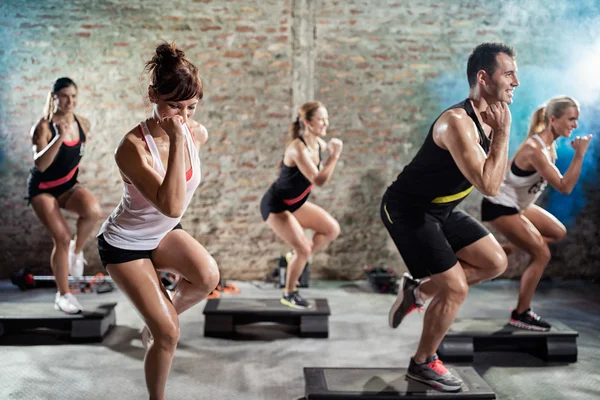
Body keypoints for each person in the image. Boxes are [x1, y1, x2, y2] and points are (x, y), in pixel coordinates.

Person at [381, 42, 519, 392]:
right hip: (407, 211)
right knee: (456, 289)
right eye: (509, 74)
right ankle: (423, 363)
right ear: (483, 78)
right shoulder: (457, 122)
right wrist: (503, 133)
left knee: (494, 262)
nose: (516, 81)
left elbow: (495, 175)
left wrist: (499, 132)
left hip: (440, 209)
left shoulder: (491, 119)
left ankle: (417, 290)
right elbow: (489, 184)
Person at [97, 42, 219, 400]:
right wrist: (179, 138)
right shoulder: (132, 148)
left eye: (191, 107)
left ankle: (156, 319)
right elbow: (170, 204)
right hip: (124, 245)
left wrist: (183, 133)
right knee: (169, 335)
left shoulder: (198, 133)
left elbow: (172, 213)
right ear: (152, 95)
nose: (182, 117)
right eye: (173, 106)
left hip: (162, 234)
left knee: (208, 276)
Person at [481, 96, 592, 331]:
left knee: (557, 232)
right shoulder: (535, 148)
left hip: (517, 205)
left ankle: (509, 248)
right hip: (500, 205)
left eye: (576, 120)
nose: (575, 125)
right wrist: (580, 154)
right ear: (553, 119)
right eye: (571, 119)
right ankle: (520, 313)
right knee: (541, 255)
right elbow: (564, 187)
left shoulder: (546, 145)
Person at [27, 77, 101, 314]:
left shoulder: (83, 123)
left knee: (93, 211)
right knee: (61, 237)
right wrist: (59, 137)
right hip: (43, 189)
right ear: (54, 97)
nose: (70, 101)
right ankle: (63, 294)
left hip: (67, 186)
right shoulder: (44, 126)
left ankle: (76, 252)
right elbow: (41, 165)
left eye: (74, 96)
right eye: (65, 96)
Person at [260, 101, 342, 309]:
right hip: (276, 206)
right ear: (307, 122)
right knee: (304, 250)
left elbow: (321, 168)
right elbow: (319, 180)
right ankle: (289, 293)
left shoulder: (318, 144)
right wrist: (334, 156)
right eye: (321, 119)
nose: (326, 123)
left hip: (295, 204)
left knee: (331, 229)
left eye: (326, 118)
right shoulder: (298, 148)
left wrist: (329, 152)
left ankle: (295, 257)